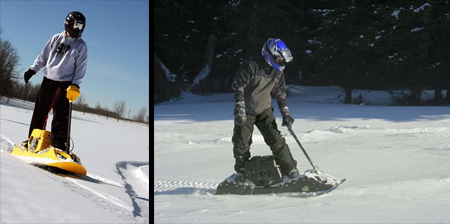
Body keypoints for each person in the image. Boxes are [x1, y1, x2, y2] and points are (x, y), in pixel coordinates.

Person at [231, 38, 299, 180]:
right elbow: (238, 85)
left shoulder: (278, 72)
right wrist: (240, 108)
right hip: (247, 110)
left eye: (282, 59)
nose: (281, 62)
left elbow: (280, 92)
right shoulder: (252, 65)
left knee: (276, 140)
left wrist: (285, 112)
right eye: (279, 59)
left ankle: (291, 170)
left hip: (264, 110)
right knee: (241, 142)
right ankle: (242, 173)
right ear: (270, 54)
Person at [23, 11, 88, 152]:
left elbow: (81, 67)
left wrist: (75, 85)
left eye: (81, 26)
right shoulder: (56, 38)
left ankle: (59, 147)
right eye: (76, 25)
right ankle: (33, 142)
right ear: (68, 24)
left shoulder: (81, 46)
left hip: (65, 85)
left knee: (60, 117)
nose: (78, 29)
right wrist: (32, 70)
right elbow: (43, 56)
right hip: (47, 82)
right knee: (40, 113)